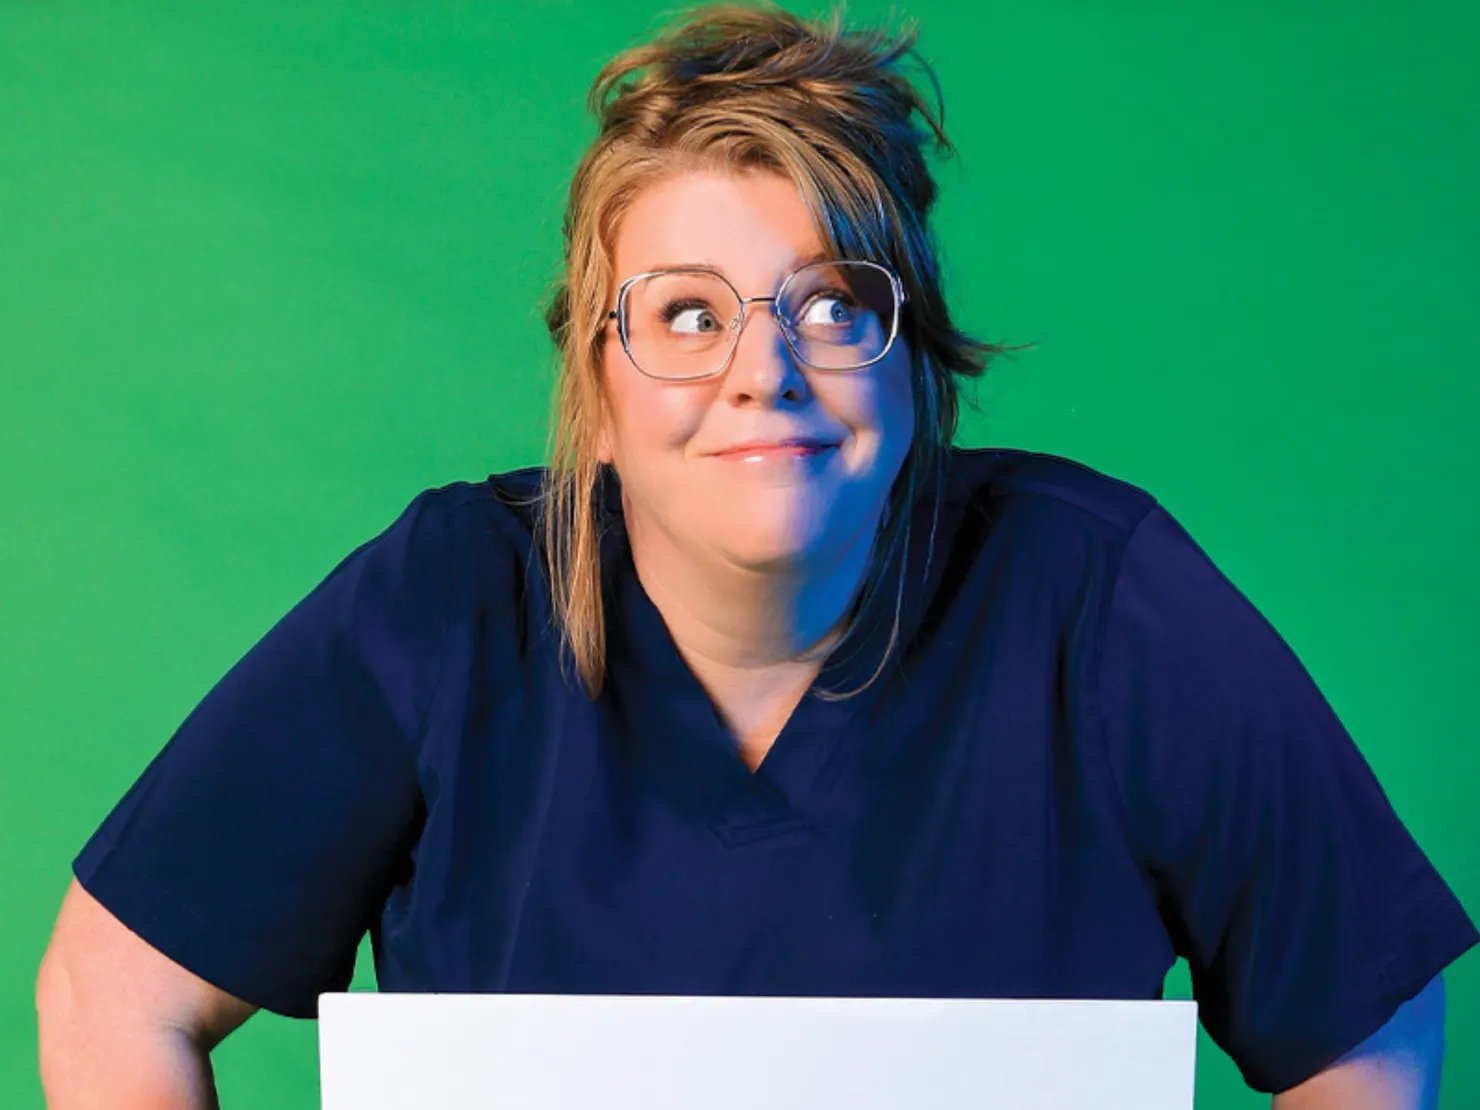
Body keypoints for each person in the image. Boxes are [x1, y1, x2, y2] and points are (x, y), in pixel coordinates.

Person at [36, 3, 1477, 1107]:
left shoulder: (1099, 599)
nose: (760, 370)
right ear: (594, 390)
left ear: (914, 361)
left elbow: (1369, 1022)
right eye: (683, 312)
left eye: (833, 303)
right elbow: (112, 984)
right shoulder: (450, 602)